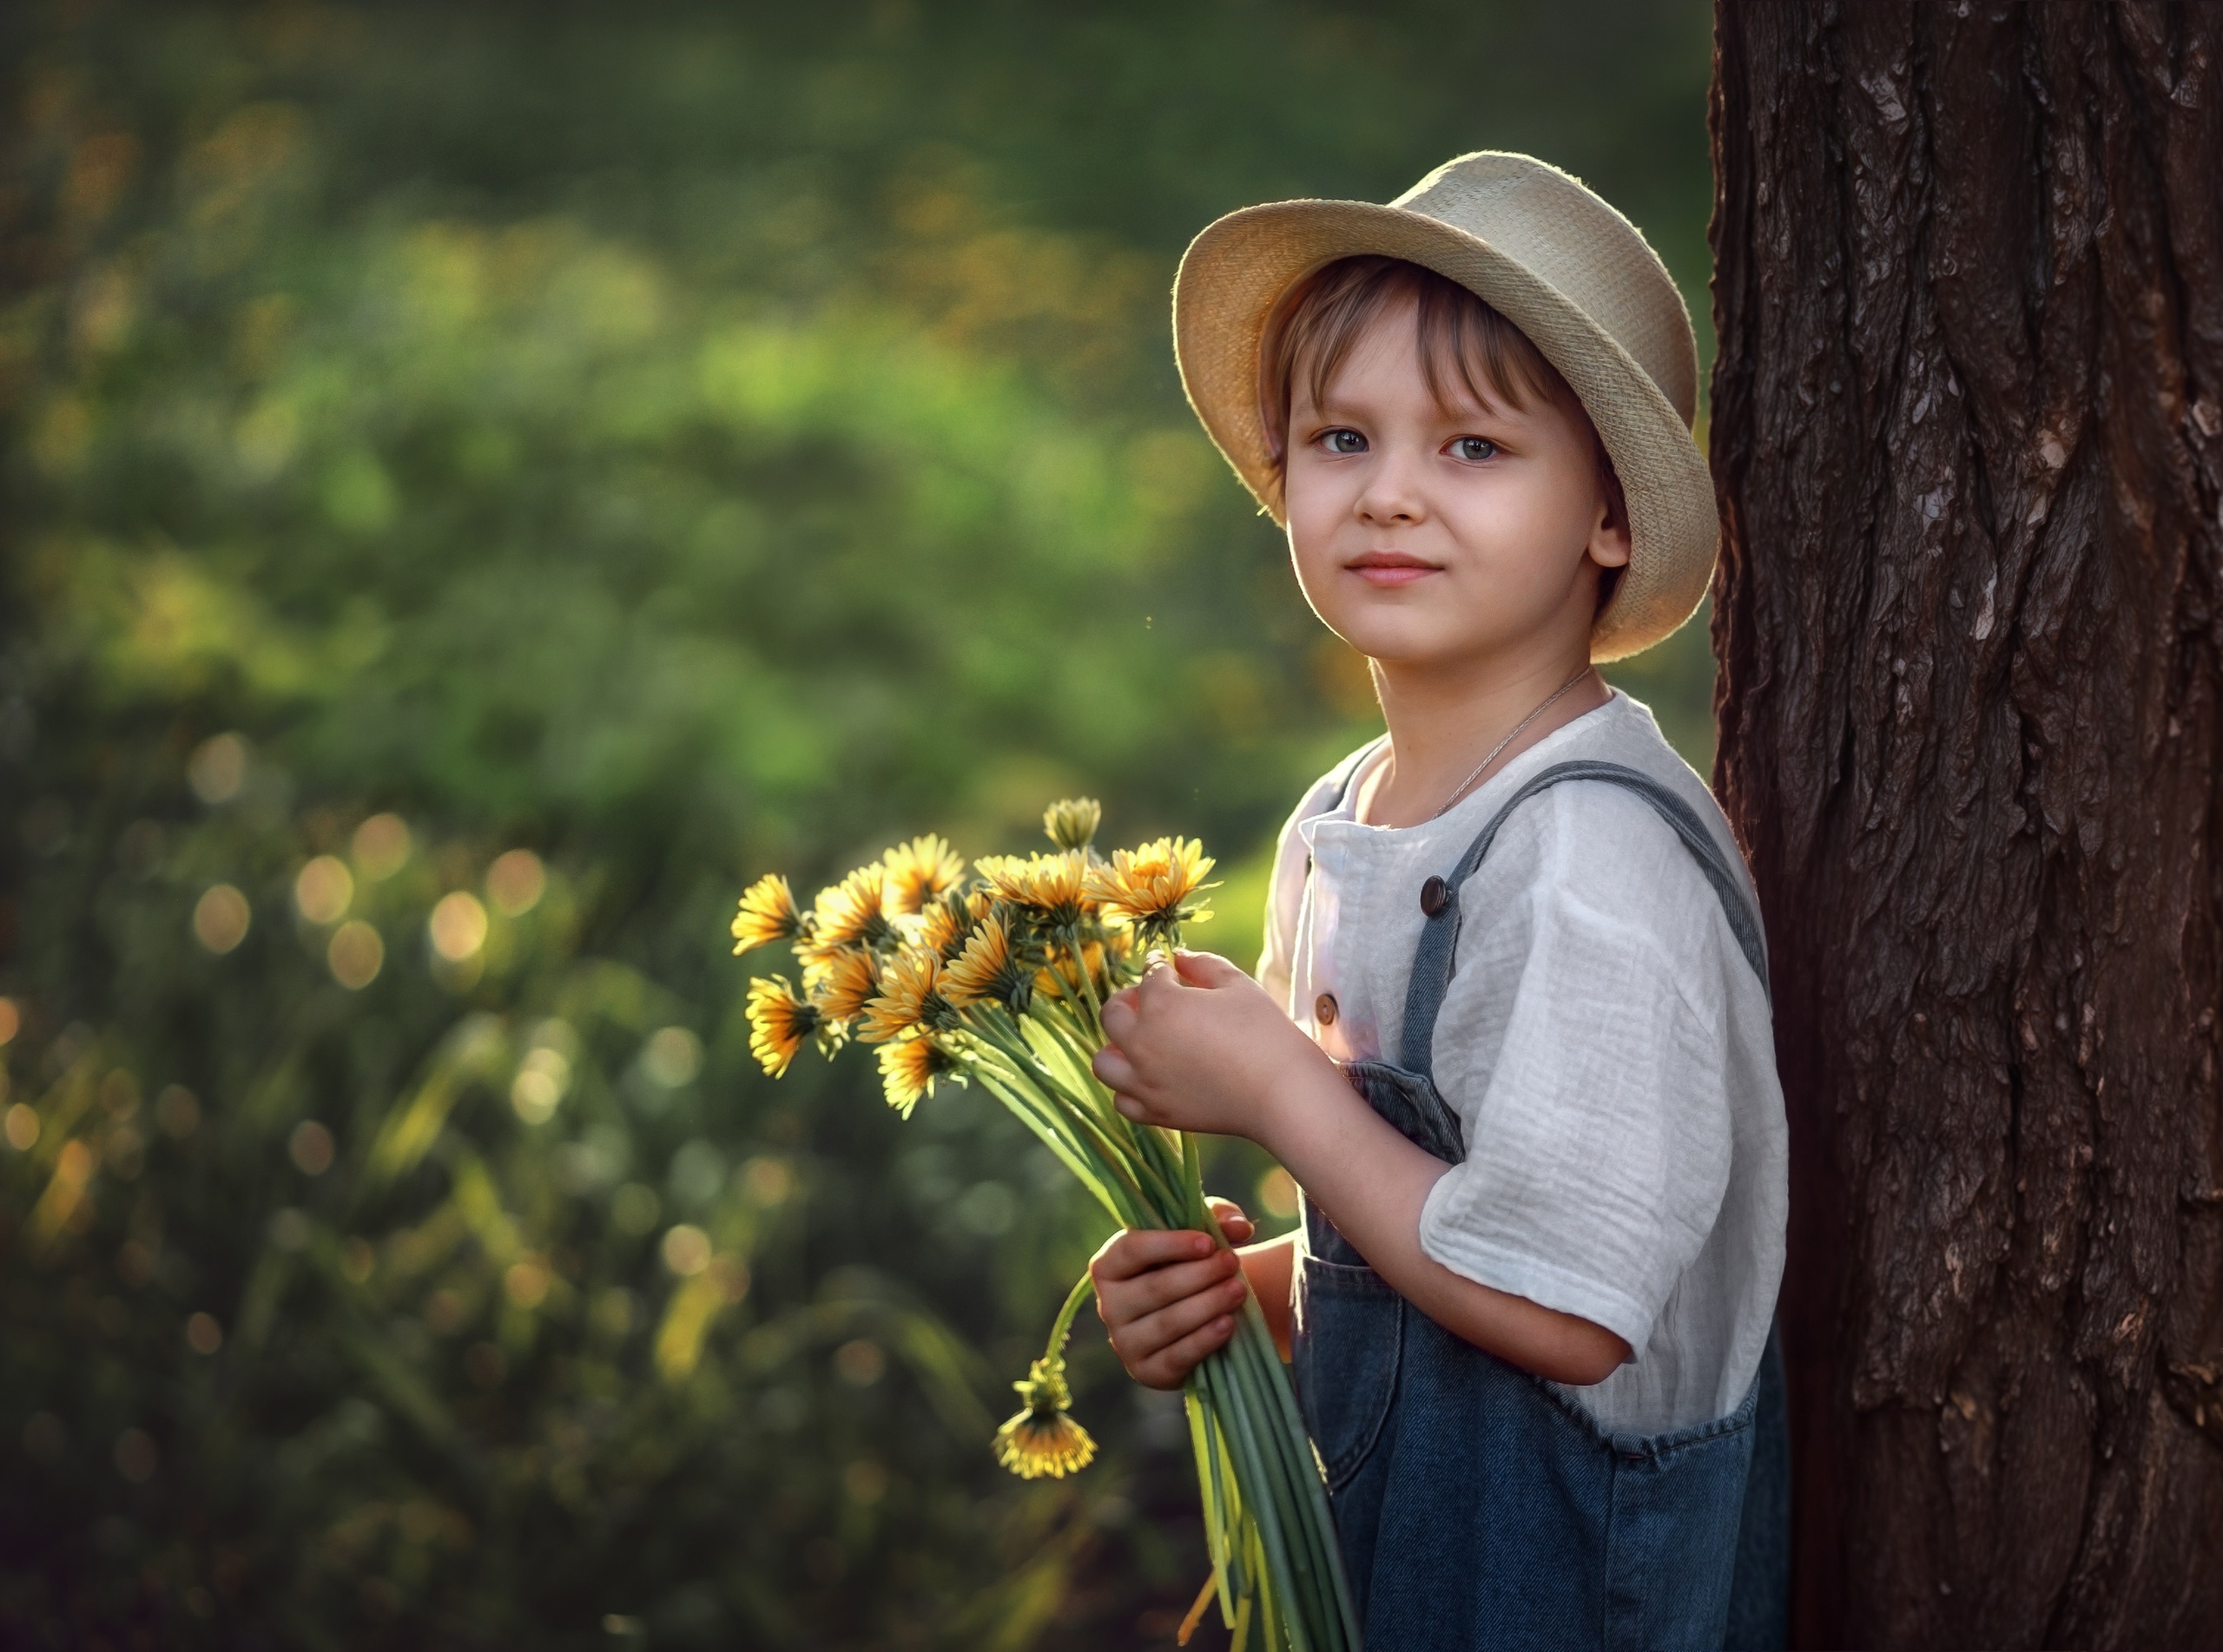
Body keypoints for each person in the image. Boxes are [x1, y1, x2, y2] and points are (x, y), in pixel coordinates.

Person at [1086, 153, 1790, 1649]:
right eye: (1344, 436)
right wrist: (1260, 1287)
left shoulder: (1595, 864)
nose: (1391, 490)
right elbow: (1427, 1247)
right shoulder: (1346, 820)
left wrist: (1285, 1093)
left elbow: (1568, 1308)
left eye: (1473, 448)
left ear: (1609, 517)